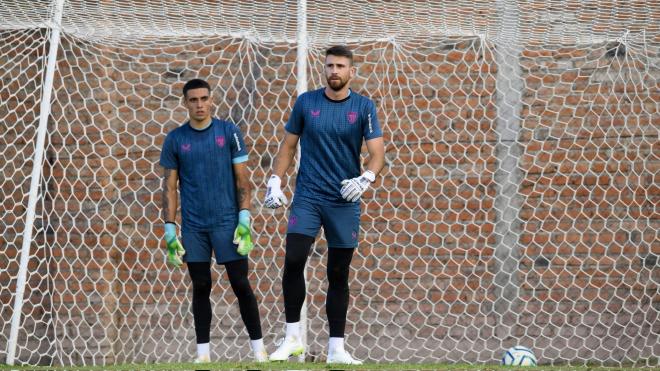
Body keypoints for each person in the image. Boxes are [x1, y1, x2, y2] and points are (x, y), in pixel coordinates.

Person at [264, 45, 385, 364]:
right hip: (308, 196)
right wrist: (275, 180)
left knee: (338, 272)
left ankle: (336, 349)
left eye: (341, 66)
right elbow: (288, 146)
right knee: (293, 259)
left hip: (344, 200)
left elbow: (377, 153)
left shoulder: (363, 107)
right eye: (330, 65)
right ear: (324, 69)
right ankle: (291, 338)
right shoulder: (306, 103)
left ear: (351, 71)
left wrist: (365, 179)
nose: (334, 71)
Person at [159, 78, 268, 363]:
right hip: (194, 226)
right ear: (185, 102)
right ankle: (203, 355)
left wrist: (244, 217)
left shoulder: (228, 131)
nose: (199, 104)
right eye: (193, 99)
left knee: (240, 284)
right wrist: (170, 229)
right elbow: (169, 187)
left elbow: (242, 179)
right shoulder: (175, 139)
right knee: (201, 286)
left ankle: (260, 352)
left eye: (203, 98)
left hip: (227, 223)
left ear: (211, 100)